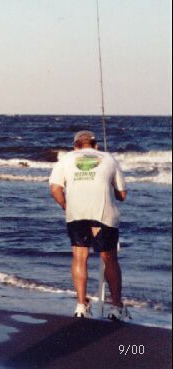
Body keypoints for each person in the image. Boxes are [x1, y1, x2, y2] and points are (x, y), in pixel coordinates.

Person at [49, 130, 129, 321]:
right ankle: (116, 307)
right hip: (104, 214)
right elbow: (122, 194)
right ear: (96, 146)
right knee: (109, 258)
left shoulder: (66, 159)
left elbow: (55, 189)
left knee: (79, 257)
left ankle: (81, 306)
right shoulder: (108, 158)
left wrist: (66, 206)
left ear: (75, 146)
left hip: (76, 213)